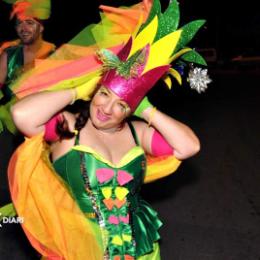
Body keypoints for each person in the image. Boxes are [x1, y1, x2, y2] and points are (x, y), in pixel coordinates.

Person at [7, 0, 211, 259]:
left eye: (121, 105)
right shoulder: (69, 127)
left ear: (132, 110)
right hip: (79, 247)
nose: (106, 108)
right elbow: (20, 114)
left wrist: (146, 109)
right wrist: (77, 91)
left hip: (139, 250)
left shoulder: (139, 132)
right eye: (104, 94)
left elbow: (189, 146)